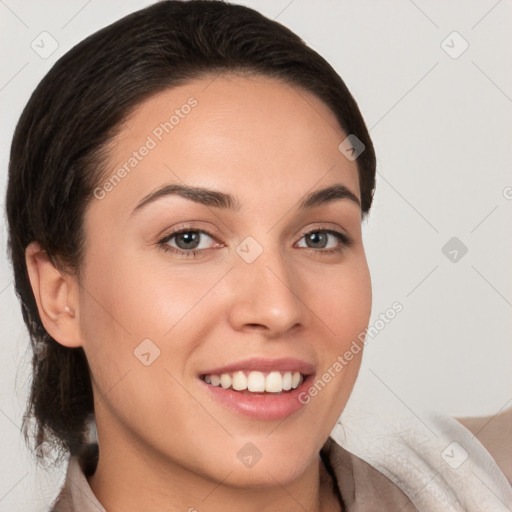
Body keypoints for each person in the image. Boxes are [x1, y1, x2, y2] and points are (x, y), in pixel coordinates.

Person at [5, 1, 511, 511]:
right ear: (59, 294)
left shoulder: (468, 485)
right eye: (189, 239)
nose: (278, 308)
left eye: (318, 237)